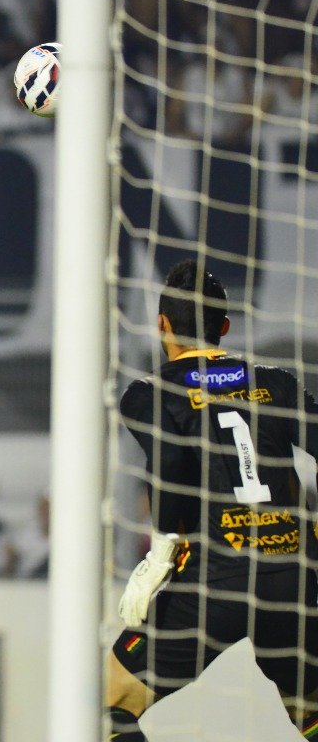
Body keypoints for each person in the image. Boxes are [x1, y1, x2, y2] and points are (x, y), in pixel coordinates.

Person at [106, 260, 318, 741]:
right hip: (292, 574)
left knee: (115, 699)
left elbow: (171, 464)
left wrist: (161, 550)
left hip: (214, 577)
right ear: (224, 327)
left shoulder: (149, 393)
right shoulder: (277, 382)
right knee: (308, 708)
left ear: (162, 323)